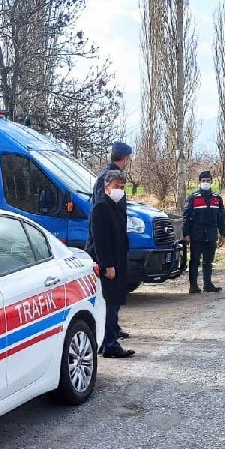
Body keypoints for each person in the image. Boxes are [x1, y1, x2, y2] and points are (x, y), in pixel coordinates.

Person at [89, 169, 134, 359]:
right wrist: (107, 264)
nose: (120, 190)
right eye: (116, 186)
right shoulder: (101, 207)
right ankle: (109, 343)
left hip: (117, 260)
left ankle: (108, 341)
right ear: (107, 187)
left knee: (113, 304)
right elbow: (100, 240)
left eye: (122, 187)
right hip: (108, 264)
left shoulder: (115, 206)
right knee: (110, 304)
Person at [182, 170, 225, 294]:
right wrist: (186, 234)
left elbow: (221, 217)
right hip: (197, 234)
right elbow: (186, 217)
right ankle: (193, 286)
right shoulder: (193, 198)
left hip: (211, 233)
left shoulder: (217, 198)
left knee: (208, 261)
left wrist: (223, 234)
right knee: (195, 260)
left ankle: (208, 284)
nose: (205, 183)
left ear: (211, 182)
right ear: (199, 182)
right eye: (203, 181)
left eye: (207, 181)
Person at [92, 141, 133, 205]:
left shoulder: (108, 174)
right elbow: (101, 207)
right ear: (125, 159)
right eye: (128, 159)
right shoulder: (110, 177)